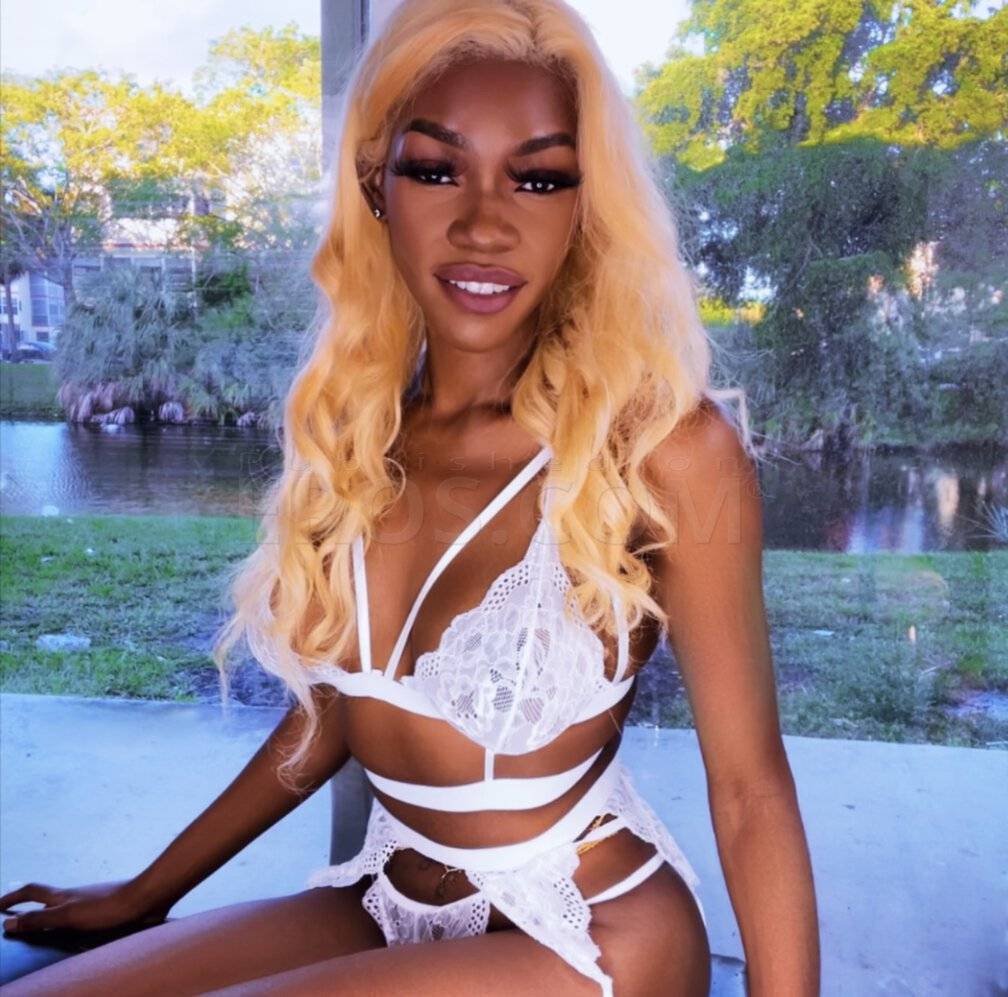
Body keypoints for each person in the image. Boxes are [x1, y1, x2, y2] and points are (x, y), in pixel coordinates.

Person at [0, 1, 820, 993]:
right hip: (387, 893)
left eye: (539, 177)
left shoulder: (661, 447)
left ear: (586, 205)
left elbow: (750, 787)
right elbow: (335, 717)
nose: (484, 223)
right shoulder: (361, 431)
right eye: (436, 169)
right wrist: (147, 890)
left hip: (593, 929)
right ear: (375, 185)